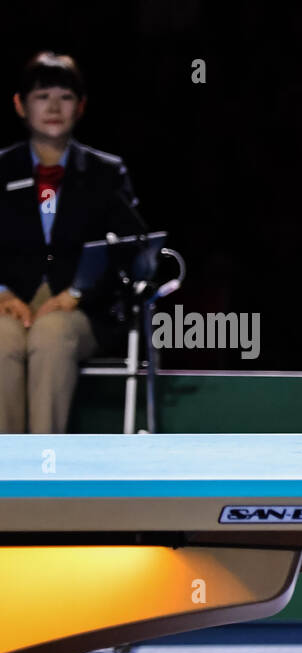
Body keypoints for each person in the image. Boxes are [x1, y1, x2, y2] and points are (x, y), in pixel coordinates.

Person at [0, 51, 143, 433]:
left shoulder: (106, 172)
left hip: (82, 311)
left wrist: (76, 294)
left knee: (51, 334)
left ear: (80, 107)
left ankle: (43, 475)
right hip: (9, 306)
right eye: (41, 95)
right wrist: (3, 294)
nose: (53, 107)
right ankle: (6, 475)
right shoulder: (2, 168)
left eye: (64, 97)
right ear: (20, 104)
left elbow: (130, 249)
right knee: (1, 339)